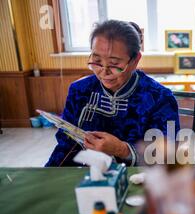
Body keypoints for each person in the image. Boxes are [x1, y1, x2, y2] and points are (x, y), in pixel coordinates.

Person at [46, 20, 180, 167]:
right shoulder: (80, 91)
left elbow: (168, 157)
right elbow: (65, 144)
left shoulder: (159, 98)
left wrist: (122, 150)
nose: (104, 71)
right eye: (96, 61)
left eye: (114, 64)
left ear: (135, 60)